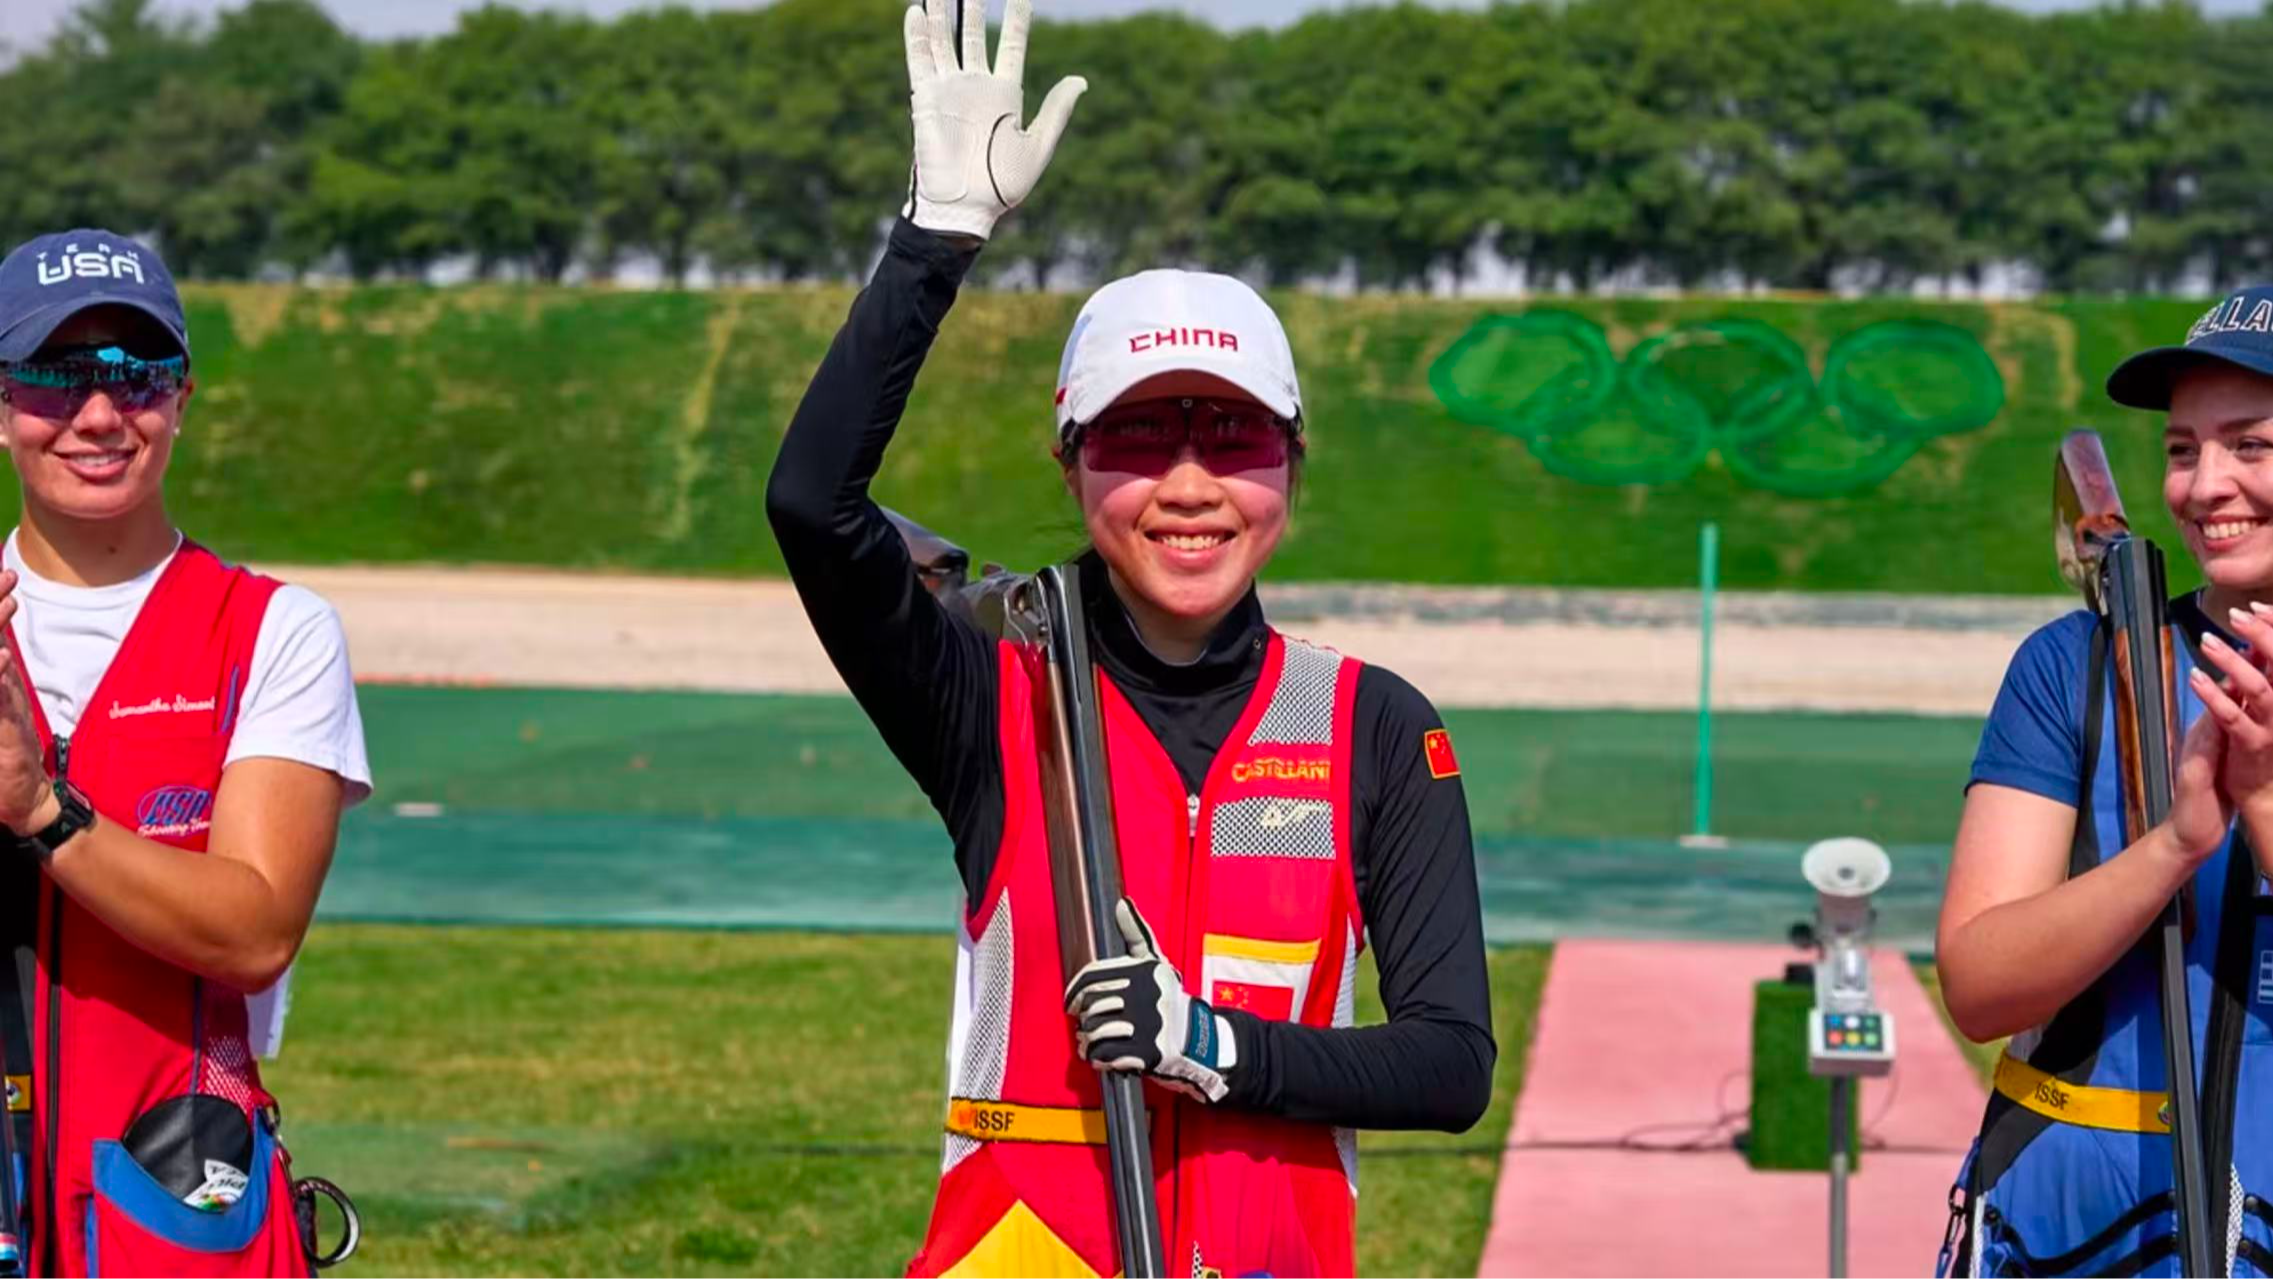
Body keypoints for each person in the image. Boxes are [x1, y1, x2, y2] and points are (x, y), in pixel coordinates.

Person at [765, 3, 1492, 1275]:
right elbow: (812, 506)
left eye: (1235, 436)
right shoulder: (990, 690)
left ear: (1292, 465)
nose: (1191, 484)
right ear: (1070, 464)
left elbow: (1447, 1061)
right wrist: (935, 241)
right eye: (1141, 437)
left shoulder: (1374, 723)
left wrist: (1213, 1046)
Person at [0, 229, 370, 1278]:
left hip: (167, 1203)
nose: (100, 412)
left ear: (183, 396)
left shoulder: (271, 630)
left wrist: (42, 811)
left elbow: (252, 931)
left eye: (136, 372)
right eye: (54, 373)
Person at [1936, 286, 2273, 1276]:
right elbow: (1979, 983)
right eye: (2180, 449)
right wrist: (2173, 844)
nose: (2205, 484)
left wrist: (2256, 796)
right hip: (2071, 1226)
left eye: (2249, 445)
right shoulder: (2075, 664)